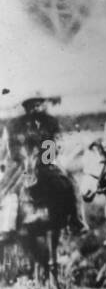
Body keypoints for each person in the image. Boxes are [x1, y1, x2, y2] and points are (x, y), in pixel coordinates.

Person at [1, 95, 86, 235]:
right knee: (6, 186)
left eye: (38, 105)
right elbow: (12, 147)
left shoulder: (50, 122)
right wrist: (21, 157)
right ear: (26, 107)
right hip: (21, 164)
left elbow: (54, 142)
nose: (35, 108)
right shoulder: (17, 125)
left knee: (69, 183)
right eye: (32, 105)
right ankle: (7, 226)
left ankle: (76, 220)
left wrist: (45, 157)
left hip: (45, 163)